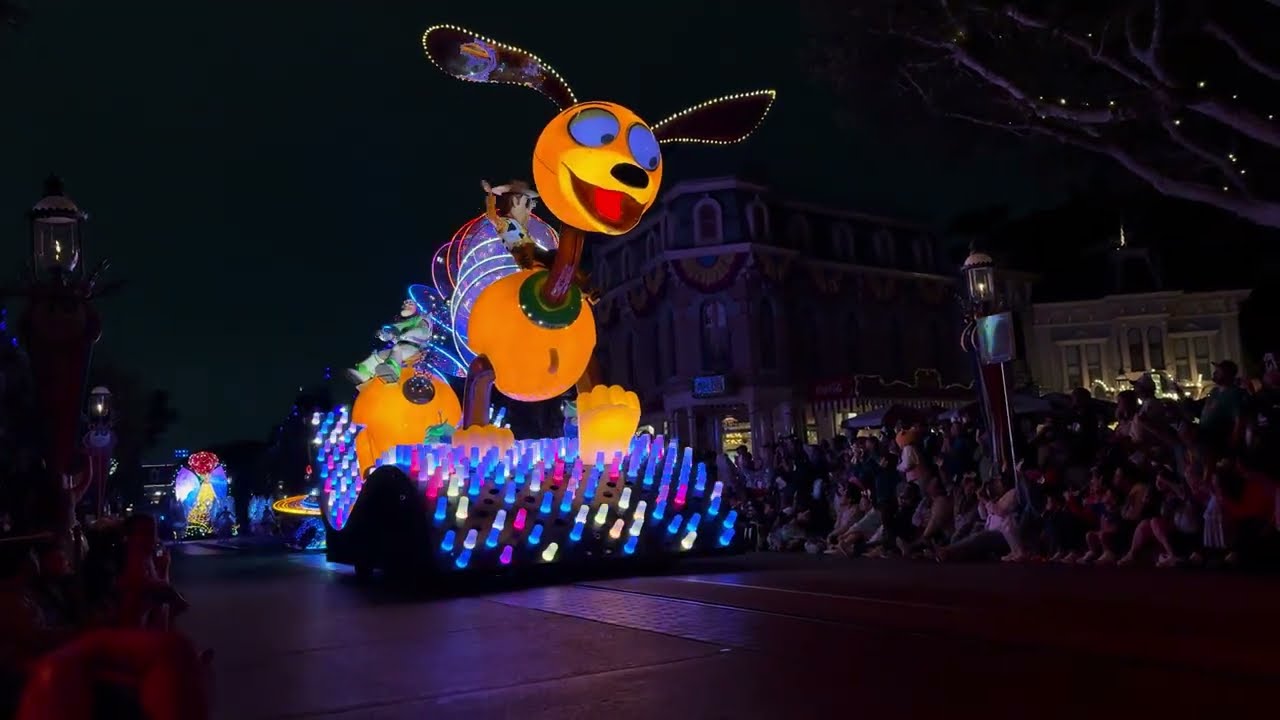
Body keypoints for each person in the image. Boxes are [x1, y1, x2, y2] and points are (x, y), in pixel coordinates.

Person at [346, 287, 436, 385]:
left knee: (397, 350)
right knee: (380, 355)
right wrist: (382, 334)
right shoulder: (403, 323)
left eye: (410, 303)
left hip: (413, 349)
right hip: (401, 345)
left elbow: (423, 331)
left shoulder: (421, 319)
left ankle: (392, 371)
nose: (406, 305)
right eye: (405, 303)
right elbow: (391, 334)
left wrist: (406, 334)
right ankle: (363, 374)